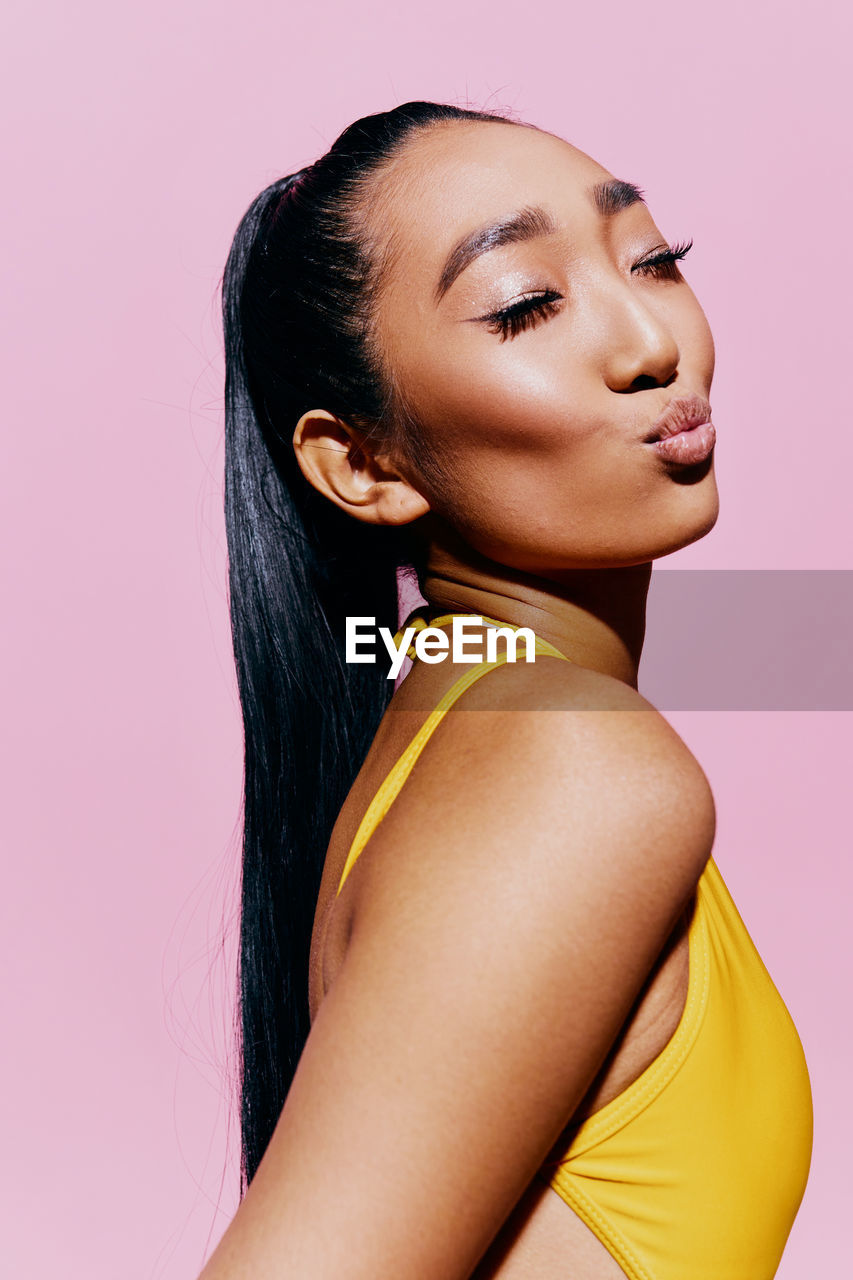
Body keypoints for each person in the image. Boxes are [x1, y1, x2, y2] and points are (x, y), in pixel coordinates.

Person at [199, 101, 813, 1279]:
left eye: (653, 259)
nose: (648, 340)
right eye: (528, 302)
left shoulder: (465, 719)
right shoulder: (569, 763)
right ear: (364, 464)